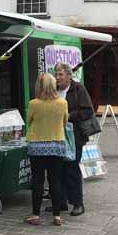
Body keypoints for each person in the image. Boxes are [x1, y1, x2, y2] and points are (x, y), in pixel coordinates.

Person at [25, 72, 69, 226]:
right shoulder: (62, 103)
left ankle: (36, 215)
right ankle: (57, 216)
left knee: (37, 181)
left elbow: (29, 121)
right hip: (56, 145)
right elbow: (64, 122)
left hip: (36, 146)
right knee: (55, 180)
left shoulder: (33, 104)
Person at [54, 63, 95, 216]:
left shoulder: (78, 89)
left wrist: (70, 116)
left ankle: (78, 203)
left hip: (74, 135)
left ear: (69, 76)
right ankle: (61, 201)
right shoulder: (55, 90)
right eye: (56, 75)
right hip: (57, 135)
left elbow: (88, 110)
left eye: (61, 75)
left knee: (72, 168)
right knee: (58, 169)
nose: (57, 78)